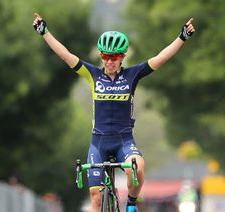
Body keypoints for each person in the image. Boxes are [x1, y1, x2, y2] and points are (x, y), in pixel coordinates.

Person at [33, 13, 195, 212]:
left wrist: (182, 38)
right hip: (98, 144)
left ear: (122, 58)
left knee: (138, 167)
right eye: (105, 56)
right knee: (96, 198)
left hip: (124, 141)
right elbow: (65, 55)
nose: (109, 61)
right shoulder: (92, 74)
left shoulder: (132, 75)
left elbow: (160, 58)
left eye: (114, 57)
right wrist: (45, 32)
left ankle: (132, 204)